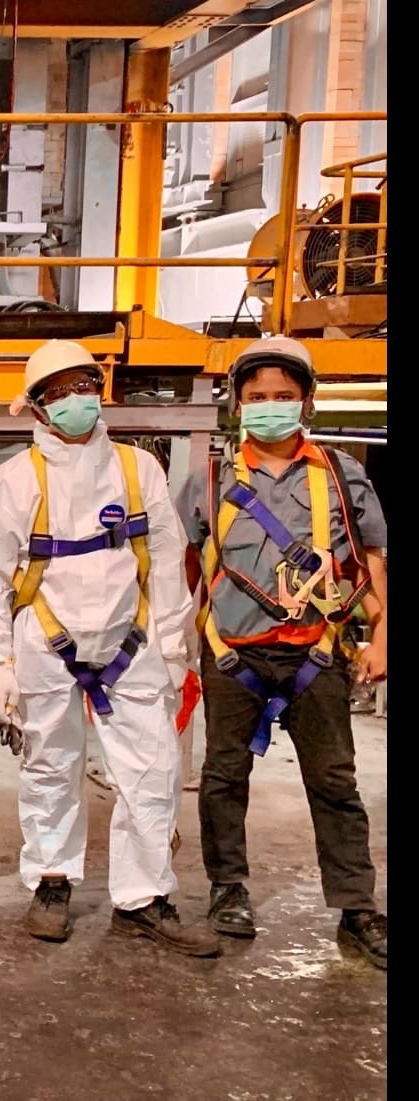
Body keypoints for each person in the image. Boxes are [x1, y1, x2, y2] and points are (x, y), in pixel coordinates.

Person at [0, 339, 218, 957]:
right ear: (36, 407)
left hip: (133, 640)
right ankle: (51, 880)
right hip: (46, 641)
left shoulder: (138, 469)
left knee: (154, 771)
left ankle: (144, 896)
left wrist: (174, 648)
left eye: (84, 384)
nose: (76, 398)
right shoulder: (14, 479)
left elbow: (165, 560)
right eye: (59, 391)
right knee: (50, 766)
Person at [177, 335, 387, 969]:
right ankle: (227, 889)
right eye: (258, 396)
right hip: (233, 654)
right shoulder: (210, 480)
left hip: (315, 653)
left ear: (307, 401)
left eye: (284, 396)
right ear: (238, 404)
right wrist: (177, 641)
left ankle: (357, 907)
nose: (271, 406)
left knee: (334, 780)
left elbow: (370, 559)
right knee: (223, 777)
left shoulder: (341, 475)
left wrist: (381, 637)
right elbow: (187, 563)